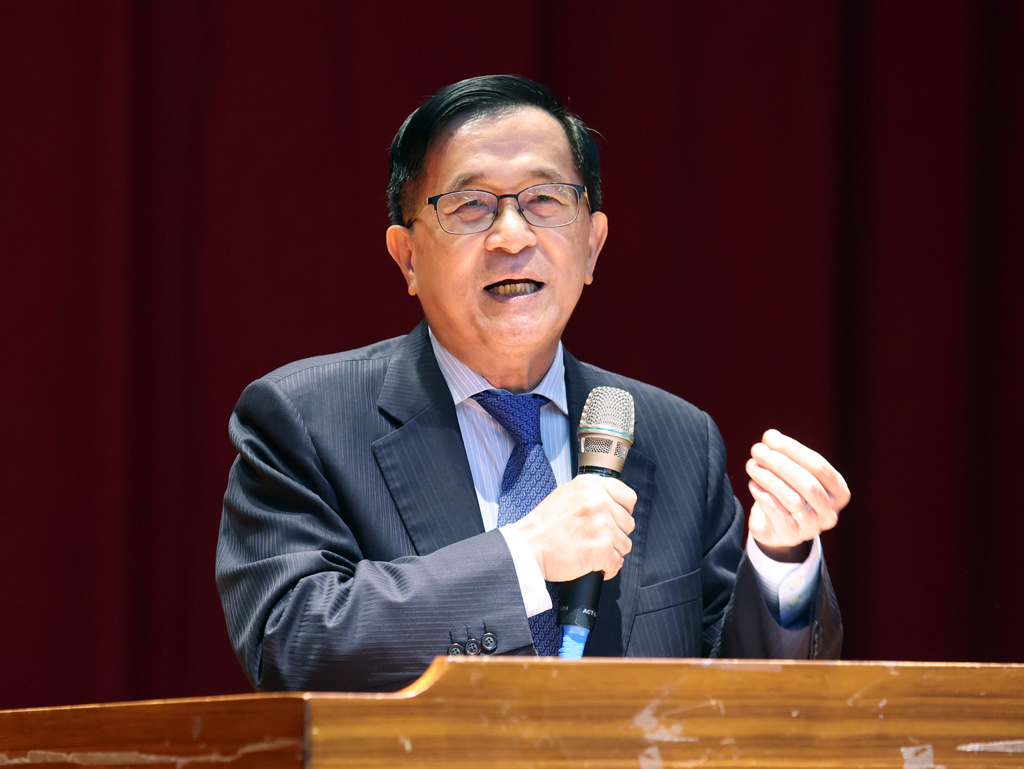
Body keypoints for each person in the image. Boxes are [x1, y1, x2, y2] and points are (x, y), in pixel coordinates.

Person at [215, 75, 851, 693]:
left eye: (545, 200)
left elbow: (748, 698)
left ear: (593, 246)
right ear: (407, 258)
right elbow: (289, 641)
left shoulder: (680, 439)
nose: (512, 236)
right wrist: (524, 557)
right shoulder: (306, 420)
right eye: (470, 205)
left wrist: (781, 562)